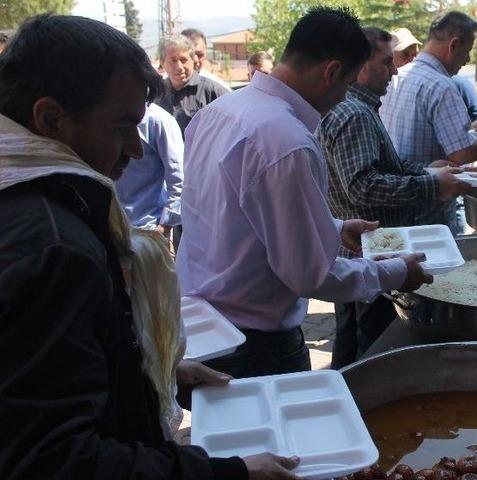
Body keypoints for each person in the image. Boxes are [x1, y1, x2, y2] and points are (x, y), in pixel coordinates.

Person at [0, 14, 300, 479]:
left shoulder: (33, 201)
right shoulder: (56, 248)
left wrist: (146, 369)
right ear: (51, 119)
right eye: (122, 127)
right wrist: (229, 473)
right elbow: (54, 459)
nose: (137, 150)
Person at [177, 7, 433, 380]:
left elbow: (236, 217)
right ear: (331, 72)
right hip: (255, 345)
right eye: (347, 85)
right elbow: (311, 275)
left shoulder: (221, 110)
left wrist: (333, 227)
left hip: (204, 326)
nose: (344, 97)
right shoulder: (286, 140)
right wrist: (396, 273)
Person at [318, 27, 470, 368]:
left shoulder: (355, 108)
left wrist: (428, 172)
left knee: (348, 345)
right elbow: (363, 186)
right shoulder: (354, 113)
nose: (395, 71)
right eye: (387, 63)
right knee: (372, 350)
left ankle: (346, 387)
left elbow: (386, 166)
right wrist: (433, 186)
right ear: (361, 66)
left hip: (356, 253)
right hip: (372, 254)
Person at [380, 12, 477, 231]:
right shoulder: (442, 86)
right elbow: (461, 153)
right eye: (468, 51)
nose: (467, 60)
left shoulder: (395, 75)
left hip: (394, 203)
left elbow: (415, 127)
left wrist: (472, 129)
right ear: (453, 45)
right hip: (428, 211)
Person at [115, 103, 183, 242]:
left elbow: (179, 178)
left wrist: (165, 227)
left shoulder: (158, 120)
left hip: (148, 229)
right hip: (115, 227)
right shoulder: (108, 115)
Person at [156, 34, 229, 135]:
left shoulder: (212, 91)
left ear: (192, 60)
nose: (179, 67)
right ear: (162, 62)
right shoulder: (155, 93)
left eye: (183, 60)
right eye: (173, 61)